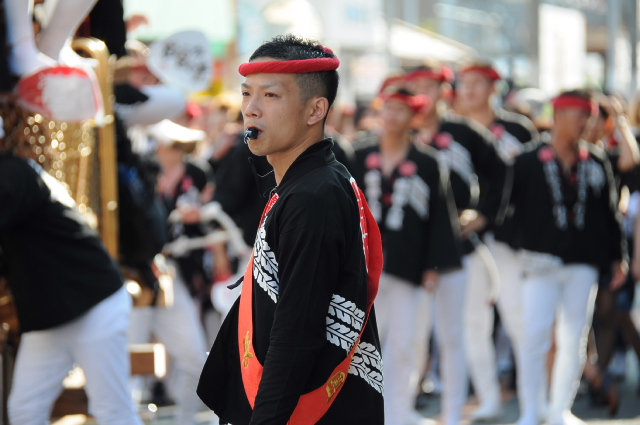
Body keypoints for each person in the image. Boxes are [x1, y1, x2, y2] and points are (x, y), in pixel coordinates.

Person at [197, 34, 384, 425]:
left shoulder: (314, 195)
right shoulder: (306, 182)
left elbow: (297, 331)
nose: (251, 108)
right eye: (246, 93)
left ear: (315, 110)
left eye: (270, 95)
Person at [0, 119, 143, 425]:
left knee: (112, 410)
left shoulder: (12, 172)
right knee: (25, 410)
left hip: (94, 304)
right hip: (51, 315)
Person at [511, 90, 627, 425]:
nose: (586, 123)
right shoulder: (527, 160)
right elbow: (510, 210)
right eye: (580, 115)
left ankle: (560, 408)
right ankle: (530, 410)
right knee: (535, 335)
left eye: (590, 117)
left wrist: (618, 256)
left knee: (574, 336)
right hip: (539, 260)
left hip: (583, 262)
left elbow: (610, 213)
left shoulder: (597, 160)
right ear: (558, 116)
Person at [351, 88, 463, 425]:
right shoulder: (359, 154)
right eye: (388, 108)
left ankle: (397, 413)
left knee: (403, 343)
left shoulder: (427, 161)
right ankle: (360, 411)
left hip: (407, 265)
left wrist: (433, 266)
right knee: (357, 342)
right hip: (361, 266)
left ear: (414, 117)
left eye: (401, 110)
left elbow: (440, 217)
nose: (392, 116)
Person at [407, 63, 509, 425]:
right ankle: (402, 408)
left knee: (472, 328)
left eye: (429, 86)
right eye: (415, 86)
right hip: (413, 252)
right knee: (413, 333)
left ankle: (486, 400)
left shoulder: (463, 131)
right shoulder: (401, 135)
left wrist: (483, 215)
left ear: (444, 92)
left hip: (462, 245)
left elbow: (501, 171)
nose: (421, 93)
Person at [455, 62, 538, 421]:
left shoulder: (517, 129)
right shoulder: (452, 130)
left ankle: (534, 403)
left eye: (478, 83)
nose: (469, 90)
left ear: (494, 87)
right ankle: (488, 399)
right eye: (465, 83)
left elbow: (534, 182)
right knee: (474, 323)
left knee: (519, 319)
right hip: (468, 240)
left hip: (511, 237)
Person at [127, 119, 212, 425]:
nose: (166, 151)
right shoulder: (140, 172)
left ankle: (185, 419)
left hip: (173, 274)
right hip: (135, 275)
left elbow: (211, 214)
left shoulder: (197, 173)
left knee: (194, 357)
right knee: (128, 360)